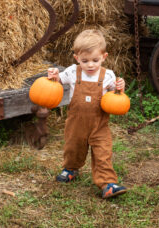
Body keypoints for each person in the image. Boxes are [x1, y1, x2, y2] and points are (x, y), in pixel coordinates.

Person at [48, 29, 127, 199]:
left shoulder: (108, 76)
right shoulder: (72, 71)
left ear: (104, 57)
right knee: (73, 148)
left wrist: (120, 87)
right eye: (85, 61)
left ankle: (107, 183)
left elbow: (117, 95)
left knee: (103, 153)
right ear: (77, 58)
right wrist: (54, 75)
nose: (90, 65)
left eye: (95, 60)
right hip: (76, 123)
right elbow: (59, 80)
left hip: (99, 125)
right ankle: (70, 169)